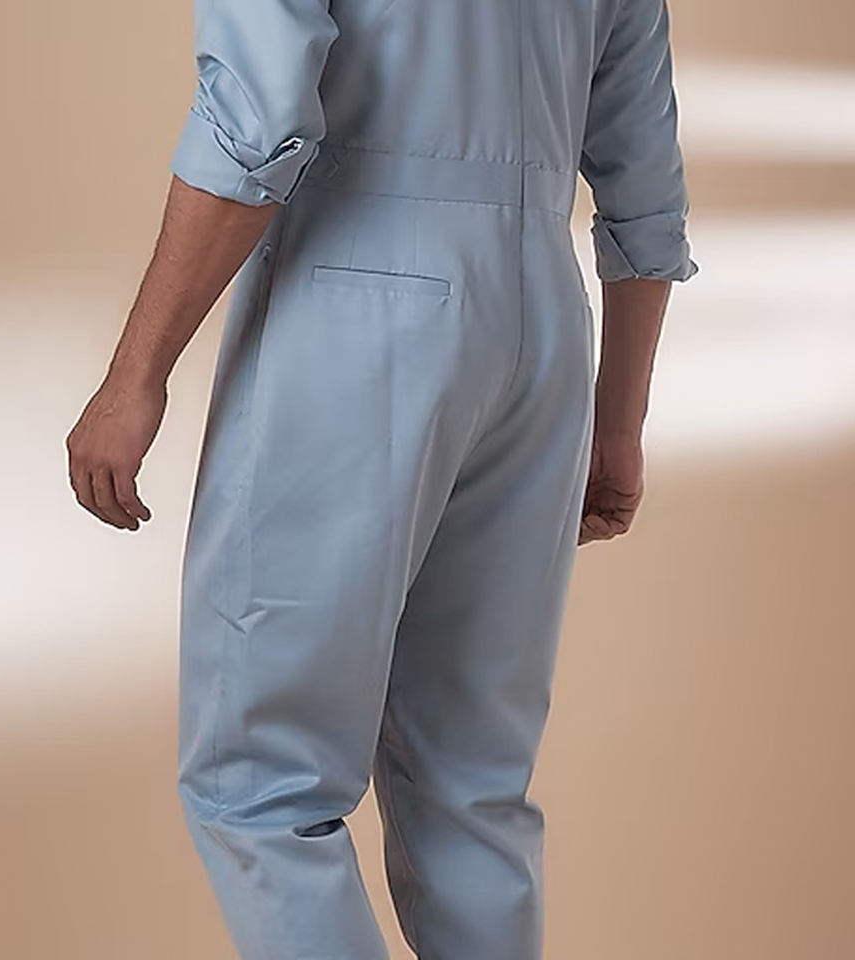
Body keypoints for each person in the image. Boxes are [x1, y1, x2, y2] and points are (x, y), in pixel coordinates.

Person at [66, 0, 698, 957]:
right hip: (542, 326)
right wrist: (618, 419)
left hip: (358, 292)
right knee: (472, 789)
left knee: (262, 788)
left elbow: (255, 119)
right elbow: (644, 175)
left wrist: (137, 373)